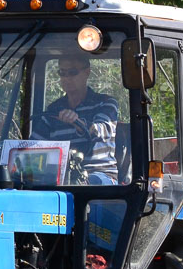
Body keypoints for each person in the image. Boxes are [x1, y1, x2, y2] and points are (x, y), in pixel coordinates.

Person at [31, 53, 119, 185]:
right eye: (62, 73)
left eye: (72, 72)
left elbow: (103, 131)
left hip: (100, 176)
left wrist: (79, 124)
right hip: (62, 178)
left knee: (91, 184)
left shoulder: (105, 103)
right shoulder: (54, 110)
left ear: (87, 72)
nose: (66, 78)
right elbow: (35, 146)